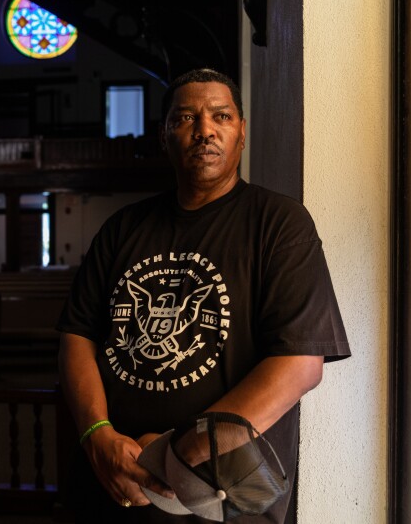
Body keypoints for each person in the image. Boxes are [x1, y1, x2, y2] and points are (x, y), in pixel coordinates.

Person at [56, 68, 350, 523]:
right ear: (164, 136)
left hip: (225, 494)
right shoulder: (122, 229)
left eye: (221, 115)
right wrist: (97, 434)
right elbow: (78, 336)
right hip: (114, 483)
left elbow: (300, 364)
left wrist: (176, 451)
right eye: (186, 118)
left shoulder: (280, 224)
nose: (205, 130)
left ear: (242, 132)